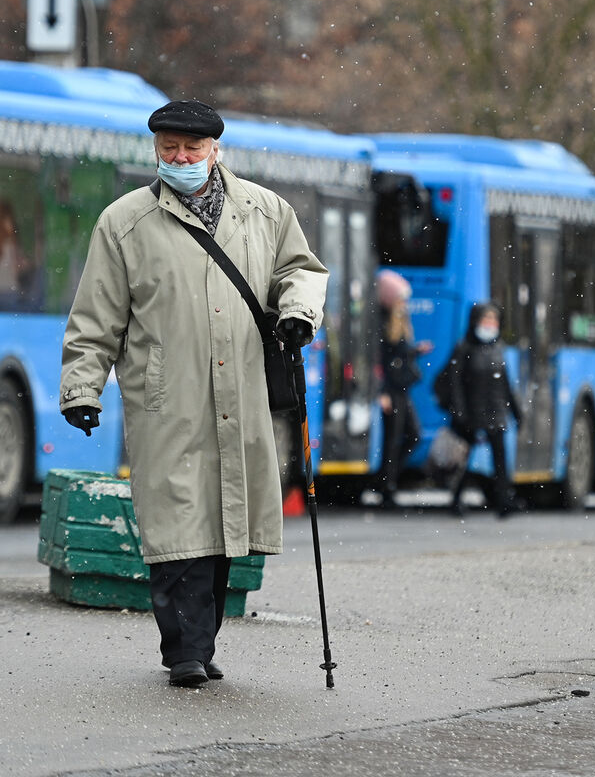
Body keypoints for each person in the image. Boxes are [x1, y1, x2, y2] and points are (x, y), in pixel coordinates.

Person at [59, 100, 327, 688]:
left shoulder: (265, 210)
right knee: (179, 523)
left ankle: (199, 643)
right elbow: (95, 316)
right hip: (167, 398)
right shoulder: (124, 223)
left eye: (191, 149)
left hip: (243, 393)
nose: (180, 158)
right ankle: (183, 648)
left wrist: (300, 312)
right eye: (169, 149)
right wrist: (83, 387)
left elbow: (301, 270)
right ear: (155, 151)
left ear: (215, 151)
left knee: (228, 522)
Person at [440, 302, 523, 518]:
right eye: (486, 320)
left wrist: (516, 412)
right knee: (464, 459)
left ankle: (504, 501)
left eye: (493, 321)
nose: (489, 325)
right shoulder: (464, 348)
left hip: (496, 413)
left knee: (500, 460)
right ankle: (456, 499)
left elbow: (506, 386)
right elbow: (454, 382)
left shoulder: (498, 349)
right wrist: (459, 411)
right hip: (471, 413)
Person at [373, 269, 431, 508]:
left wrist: (416, 351)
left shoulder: (399, 319)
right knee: (393, 437)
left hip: (401, 388)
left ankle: (388, 479)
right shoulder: (382, 321)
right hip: (392, 389)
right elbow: (382, 360)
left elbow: (396, 354)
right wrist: (382, 391)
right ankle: (386, 485)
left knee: (411, 435)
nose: (404, 303)